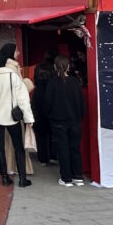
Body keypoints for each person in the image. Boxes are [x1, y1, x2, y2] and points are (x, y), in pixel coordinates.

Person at [0, 52, 34, 187]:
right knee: (18, 146)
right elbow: (23, 98)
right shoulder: (12, 75)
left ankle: (4, 177)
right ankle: (22, 178)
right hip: (11, 116)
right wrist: (28, 117)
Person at [43, 56, 85, 187]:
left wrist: (49, 115)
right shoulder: (75, 82)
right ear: (69, 67)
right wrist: (79, 116)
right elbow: (82, 103)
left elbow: (47, 103)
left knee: (63, 149)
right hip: (75, 120)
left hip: (58, 121)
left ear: (55, 67)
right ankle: (78, 176)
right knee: (75, 148)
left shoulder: (52, 83)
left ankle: (66, 178)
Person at [0, 43, 33, 177]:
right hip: (14, 109)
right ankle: (15, 167)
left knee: (5, 140)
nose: (19, 53)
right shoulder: (12, 68)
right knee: (16, 140)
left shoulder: (5, 67)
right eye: (17, 50)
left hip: (3, 108)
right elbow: (19, 89)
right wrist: (28, 84)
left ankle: (7, 165)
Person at [31, 52, 56, 165]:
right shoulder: (54, 86)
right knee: (53, 133)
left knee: (41, 134)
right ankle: (53, 155)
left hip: (39, 101)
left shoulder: (38, 68)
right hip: (51, 103)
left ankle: (42, 158)